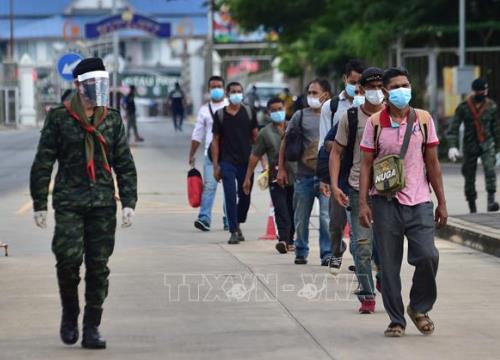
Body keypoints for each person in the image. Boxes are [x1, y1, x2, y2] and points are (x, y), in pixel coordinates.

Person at [30, 58, 137, 349]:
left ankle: (92, 326)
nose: (97, 90)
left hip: (103, 203)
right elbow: (43, 162)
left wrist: (129, 201)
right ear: (77, 85)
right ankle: (70, 312)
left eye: (101, 84)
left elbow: (124, 165)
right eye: (92, 85)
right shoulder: (59, 118)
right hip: (69, 202)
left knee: (98, 266)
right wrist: (40, 202)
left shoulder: (111, 119)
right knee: (67, 261)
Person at [359, 67, 447, 337]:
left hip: (420, 201)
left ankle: (419, 307)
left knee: (428, 256)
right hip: (385, 203)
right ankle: (396, 320)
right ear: (385, 91)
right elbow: (366, 165)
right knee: (389, 265)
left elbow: (432, 162)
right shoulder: (374, 123)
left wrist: (441, 201)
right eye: (396, 86)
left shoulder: (423, 119)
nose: (402, 90)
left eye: (405, 85)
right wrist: (363, 203)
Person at [330, 67, 385, 313]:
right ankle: (367, 294)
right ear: (361, 90)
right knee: (362, 245)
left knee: (386, 245)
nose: (376, 91)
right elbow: (336, 152)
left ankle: (384, 276)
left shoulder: (397, 116)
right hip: (357, 189)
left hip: (389, 191)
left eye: (379, 86)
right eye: (370, 87)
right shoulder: (350, 118)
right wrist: (333, 184)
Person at [278, 79, 332, 265]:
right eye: (309, 92)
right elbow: (285, 142)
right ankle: (301, 250)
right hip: (304, 176)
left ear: (326, 95)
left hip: (327, 177)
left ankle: (326, 253)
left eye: (315, 93)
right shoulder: (299, 116)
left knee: (326, 217)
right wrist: (282, 169)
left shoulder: (332, 115)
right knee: (301, 216)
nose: (311, 96)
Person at [319, 59, 365, 274]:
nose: (356, 87)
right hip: (339, 174)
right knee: (336, 222)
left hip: (363, 173)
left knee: (361, 223)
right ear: (345, 79)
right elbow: (326, 144)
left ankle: (361, 259)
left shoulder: (375, 107)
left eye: (360, 82)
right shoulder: (333, 107)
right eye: (352, 81)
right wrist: (326, 178)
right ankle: (336, 251)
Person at [243, 97, 296, 254]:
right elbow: (254, 155)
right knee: (281, 209)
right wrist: (247, 177)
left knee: (293, 209)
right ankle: (283, 240)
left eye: (279, 109)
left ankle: (291, 239)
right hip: (276, 177)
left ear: (284, 108)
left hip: (296, 176)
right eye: (273, 110)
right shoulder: (264, 133)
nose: (277, 112)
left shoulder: (294, 127)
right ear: (268, 113)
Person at [212, 82, 258, 244]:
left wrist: (262, 161)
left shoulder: (249, 112)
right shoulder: (220, 115)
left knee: (245, 196)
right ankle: (233, 230)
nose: (236, 94)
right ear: (227, 93)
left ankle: (238, 222)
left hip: (246, 163)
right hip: (227, 162)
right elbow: (215, 141)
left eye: (239, 91)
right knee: (230, 195)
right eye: (233, 91)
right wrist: (216, 165)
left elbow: (256, 138)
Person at [447, 78, 500, 213]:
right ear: (474, 91)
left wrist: (498, 150)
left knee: (490, 171)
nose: (483, 93)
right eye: (480, 91)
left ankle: (491, 202)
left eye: (485, 91)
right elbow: (454, 128)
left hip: (487, 144)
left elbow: (497, 129)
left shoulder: (492, 106)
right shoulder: (464, 107)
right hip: (470, 146)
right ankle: (472, 207)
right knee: (469, 176)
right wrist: (452, 147)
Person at [189, 76, 229, 231]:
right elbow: (197, 134)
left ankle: (229, 218)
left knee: (229, 187)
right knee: (209, 186)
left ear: (224, 89)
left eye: (219, 86)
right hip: (210, 155)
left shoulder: (230, 107)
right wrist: (192, 153)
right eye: (213, 87)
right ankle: (204, 218)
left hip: (229, 154)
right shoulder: (204, 110)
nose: (216, 89)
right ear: (209, 90)